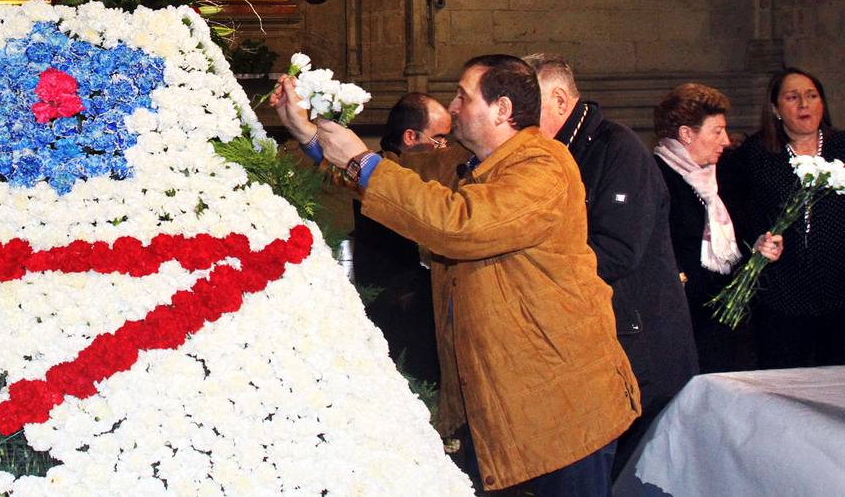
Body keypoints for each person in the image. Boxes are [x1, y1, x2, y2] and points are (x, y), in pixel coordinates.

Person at [274, 55, 639, 496]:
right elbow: (391, 175)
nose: (454, 105)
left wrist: (360, 161)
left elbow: (460, 225)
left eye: (463, 96)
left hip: (561, 412)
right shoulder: (468, 163)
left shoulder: (544, 167)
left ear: (502, 109)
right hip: (511, 406)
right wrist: (308, 133)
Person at [526, 54, 696, 475]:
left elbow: (618, 250)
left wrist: (529, 272)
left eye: (527, 106)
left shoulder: (616, 149)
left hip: (638, 344)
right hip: (602, 342)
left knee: (636, 474)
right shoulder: (553, 155)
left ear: (560, 101)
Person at [718, 69, 844, 368]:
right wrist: (755, 242)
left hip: (839, 291)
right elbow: (733, 215)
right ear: (775, 109)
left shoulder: (841, 148)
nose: (804, 104)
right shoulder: (755, 155)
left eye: (812, 96)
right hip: (782, 295)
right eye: (792, 97)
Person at [652, 83, 782, 373]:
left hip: (716, 326)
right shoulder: (655, 177)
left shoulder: (717, 178)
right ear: (687, 134)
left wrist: (757, 252)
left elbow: (725, 258)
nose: (726, 140)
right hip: (678, 327)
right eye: (717, 131)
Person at [351, 93, 453, 386]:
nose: (445, 149)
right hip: (399, 309)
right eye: (440, 139)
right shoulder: (386, 177)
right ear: (410, 137)